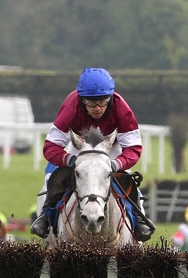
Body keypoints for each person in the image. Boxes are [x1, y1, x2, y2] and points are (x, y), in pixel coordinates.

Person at [29, 67, 154, 241]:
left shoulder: (121, 108)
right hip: (80, 147)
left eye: (103, 102)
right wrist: (70, 159)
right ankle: (45, 217)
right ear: (81, 99)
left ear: (111, 98)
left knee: (128, 179)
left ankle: (139, 220)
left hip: (110, 148)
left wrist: (116, 164)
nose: (97, 108)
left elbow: (133, 148)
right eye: (91, 102)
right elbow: (50, 146)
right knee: (52, 175)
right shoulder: (71, 106)